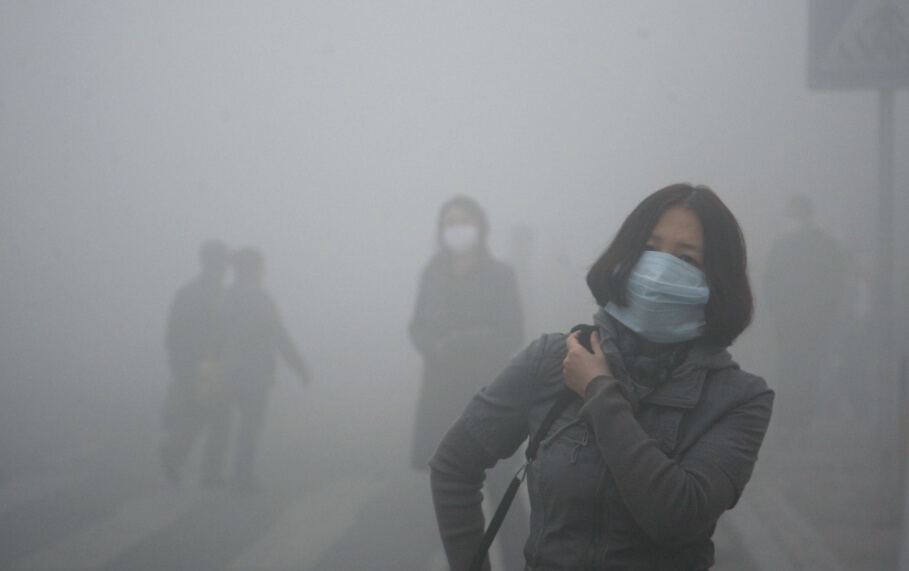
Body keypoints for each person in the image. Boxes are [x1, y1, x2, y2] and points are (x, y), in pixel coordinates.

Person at [431, 183, 774, 570]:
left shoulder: (740, 399)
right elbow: (453, 465)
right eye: (649, 248)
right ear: (626, 257)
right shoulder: (552, 361)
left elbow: (676, 519)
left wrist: (598, 392)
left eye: (687, 258)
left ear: (716, 280)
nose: (660, 270)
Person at [409, 195, 525, 568]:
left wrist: (470, 341)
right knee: (454, 499)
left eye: (464, 220)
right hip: (442, 395)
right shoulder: (433, 272)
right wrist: (437, 346)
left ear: (480, 226)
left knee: (505, 494)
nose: (457, 228)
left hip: (492, 395)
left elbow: (513, 331)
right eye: (449, 222)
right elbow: (416, 327)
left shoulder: (500, 274)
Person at [211, 247, 311, 493]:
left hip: (227, 369)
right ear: (254, 269)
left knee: (221, 421)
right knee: (250, 425)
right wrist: (300, 367)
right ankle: (243, 475)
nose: (264, 272)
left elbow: (216, 335)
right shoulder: (260, 298)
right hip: (254, 374)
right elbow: (279, 335)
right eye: (261, 267)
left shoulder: (225, 296)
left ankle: (211, 472)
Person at [763, 195, 846, 431]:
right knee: (801, 370)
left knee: (797, 370)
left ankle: (793, 425)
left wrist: (779, 311)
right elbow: (771, 283)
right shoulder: (823, 245)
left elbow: (835, 284)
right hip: (801, 321)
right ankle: (796, 425)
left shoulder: (793, 246)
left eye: (794, 215)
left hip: (800, 321)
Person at [159, 239, 231, 485]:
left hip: (192, 363)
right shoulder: (218, 294)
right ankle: (207, 471)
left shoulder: (187, 292)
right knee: (219, 417)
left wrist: (177, 363)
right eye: (223, 262)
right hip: (208, 365)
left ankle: (175, 455)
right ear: (217, 263)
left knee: (198, 414)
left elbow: (171, 332)